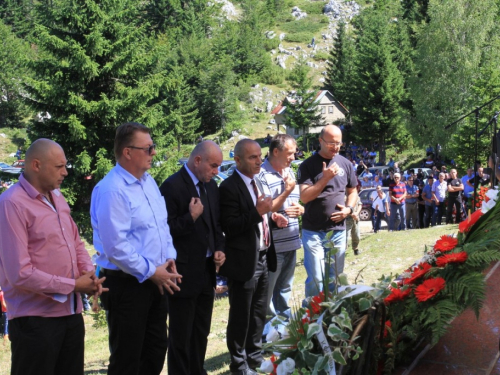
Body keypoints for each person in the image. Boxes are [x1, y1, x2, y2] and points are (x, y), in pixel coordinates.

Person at [0, 139, 106, 375]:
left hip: (70, 314)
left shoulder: (56, 197)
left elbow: (75, 241)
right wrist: (73, 285)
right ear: (36, 165)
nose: (65, 172)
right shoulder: (11, 204)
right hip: (35, 320)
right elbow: (19, 273)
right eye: (59, 167)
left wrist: (88, 275)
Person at [91, 122, 180, 375]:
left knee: (155, 350)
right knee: (127, 358)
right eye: (148, 148)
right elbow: (116, 247)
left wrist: (169, 257)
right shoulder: (112, 190)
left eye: (153, 147)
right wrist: (153, 271)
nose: (154, 152)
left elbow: (160, 226)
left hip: (155, 278)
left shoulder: (148, 182)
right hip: (127, 284)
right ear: (128, 152)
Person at [218, 139, 286, 375]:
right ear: (237, 160)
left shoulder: (259, 182)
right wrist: (258, 213)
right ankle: (238, 364)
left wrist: (272, 219)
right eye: (252, 157)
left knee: (259, 311)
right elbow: (231, 226)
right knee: (241, 314)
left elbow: (261, 217)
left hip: (265, 256)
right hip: (243, 262)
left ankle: (255, 357)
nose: (259, 161)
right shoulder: (228, 188)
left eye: (259, 156)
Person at [159, 141, 226, 375]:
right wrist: (191, 217)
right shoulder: (172, 186)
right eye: (214, 165)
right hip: (182, 273)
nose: (217, 171)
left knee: (200, 331)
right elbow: (164, 230)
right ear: (198, 161)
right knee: (180, 335)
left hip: (206, 271)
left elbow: (216, 224)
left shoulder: (211, 186)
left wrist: (219, 248)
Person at [297, 125, 357, 298]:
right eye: (331, 143)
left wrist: (349, 209)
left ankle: (333, 316)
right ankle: (312, 317)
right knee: (315, 279)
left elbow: (352, 191)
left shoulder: (345, 164)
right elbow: (305, 197)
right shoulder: (307, 165)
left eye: (338, 143)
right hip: (313, 232)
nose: (336, 147)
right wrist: (325, 178)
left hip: (337, 231)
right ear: (321, 141)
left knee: (335, 279)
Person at [259, 134, 303, 336]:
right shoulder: (260, 175)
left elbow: (294, 203)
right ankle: (267, 335)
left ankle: (284, 332)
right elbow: (262, 210)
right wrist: (286, 192)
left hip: (291, 242)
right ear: (275, 152)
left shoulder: (289, 172)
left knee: (285, 290)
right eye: (290, 153)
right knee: (267, 296)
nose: (293, 158)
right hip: (271, 247)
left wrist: (300, 210)